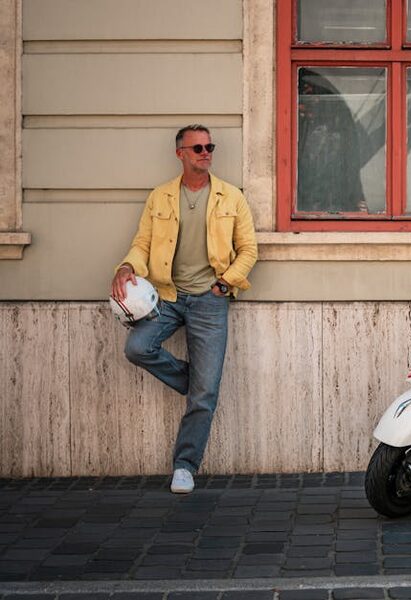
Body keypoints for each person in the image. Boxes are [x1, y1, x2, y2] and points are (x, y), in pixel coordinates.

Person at [110, 124, 258, 494]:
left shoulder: (230, 197)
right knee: (138, 348)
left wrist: (224, 283)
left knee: (205, 395)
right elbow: (142, 243)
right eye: (197, 148)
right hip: (167, 296)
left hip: (210, 299)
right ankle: (199, 385)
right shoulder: (160, 197)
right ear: (181, 154)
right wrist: (126, 268)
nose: (205, 152)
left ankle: (185, 465)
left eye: (209, 146)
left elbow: (249, 250)